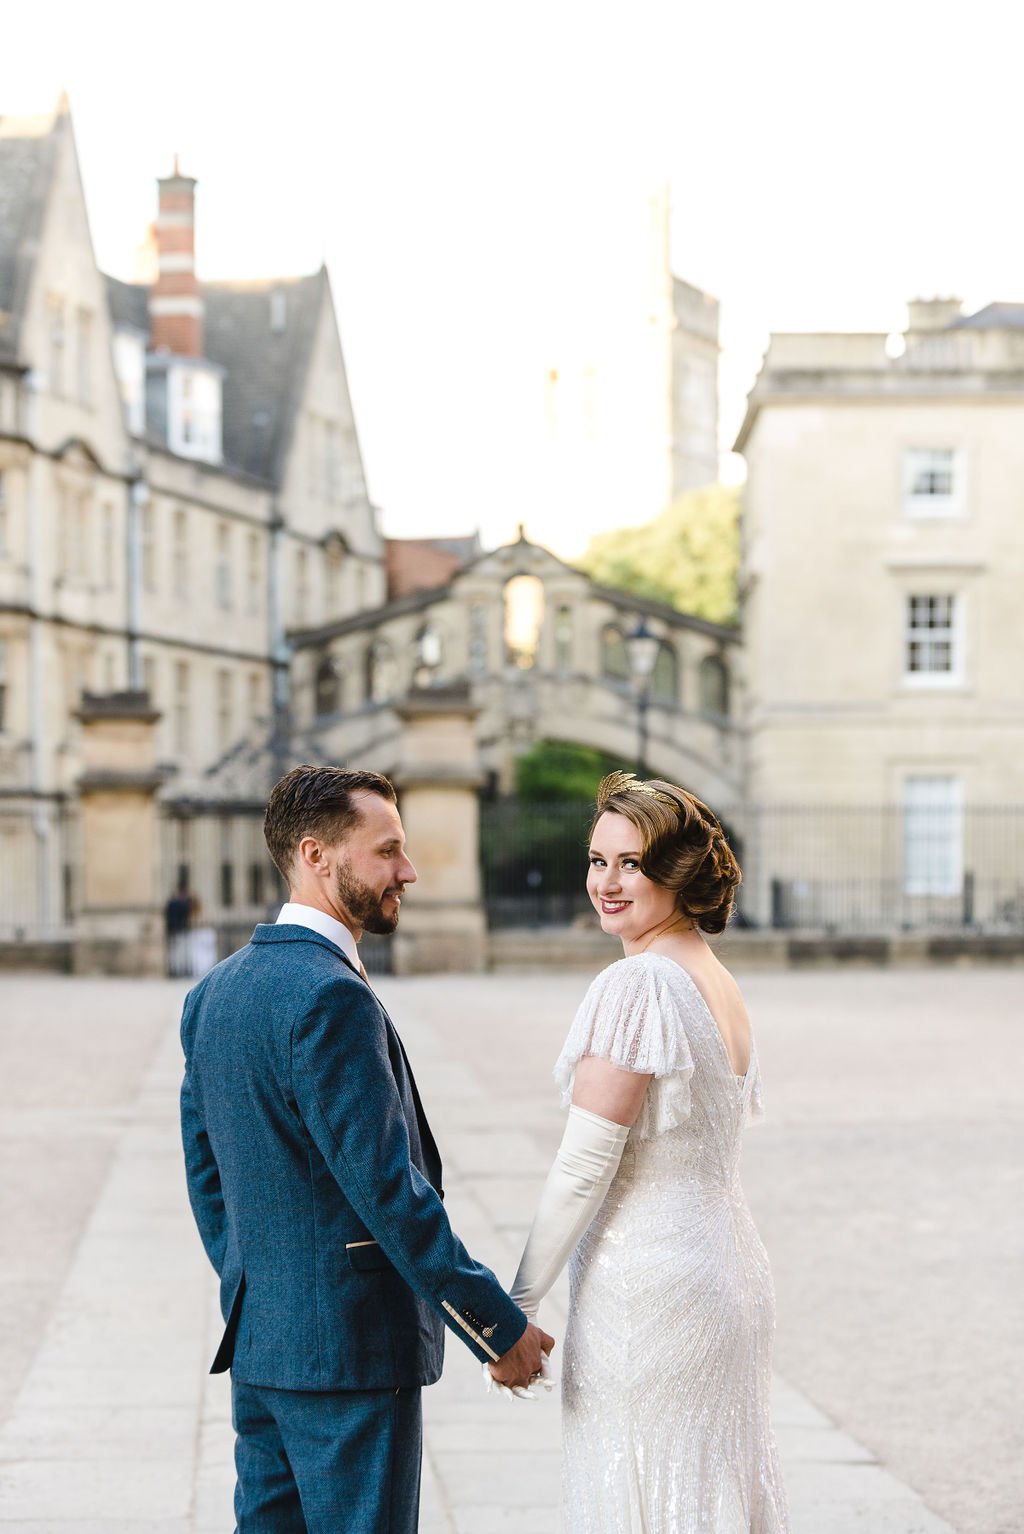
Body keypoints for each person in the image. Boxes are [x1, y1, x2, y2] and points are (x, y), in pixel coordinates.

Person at [180, 764, 553, 1534]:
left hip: (263, 1347)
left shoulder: (215, 990)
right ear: (316, 855)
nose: (408, 872)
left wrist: (263, 1285)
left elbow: (206, 1174)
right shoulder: (331, 995)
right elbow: (389, 1190)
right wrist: (495, 1327)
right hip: (349, 1357)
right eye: (387, 851)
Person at [508, 771, 791, 1532]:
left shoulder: (639, 985)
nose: (607, 881)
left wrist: (518, 1304)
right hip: (727, 1269)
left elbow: (584, 1163)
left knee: (645, 1488)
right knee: (707, 1489)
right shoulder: (717, 981)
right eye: (598, 861)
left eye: (631, 863)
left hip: (653, 1289)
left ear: (678, 871)